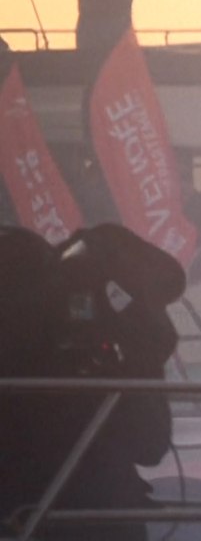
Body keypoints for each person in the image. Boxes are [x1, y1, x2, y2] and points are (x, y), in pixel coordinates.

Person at [1, 224, 182, 540]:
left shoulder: (63, 370)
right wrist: (144, 358)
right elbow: (150, 445)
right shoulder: (89, 374)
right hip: (100, 519)